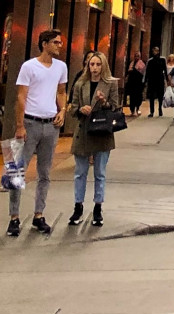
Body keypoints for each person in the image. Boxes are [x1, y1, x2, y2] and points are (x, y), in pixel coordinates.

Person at [7, 29, 68, 237]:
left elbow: (61, 91)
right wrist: (19, 125)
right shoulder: (29, 66)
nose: (60, 45)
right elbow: (21, 97)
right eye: (56, 42)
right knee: (17, 171)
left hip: (51, 125)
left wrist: (63, 110)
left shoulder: (61, 66)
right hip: (30, 123)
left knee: (45, 173)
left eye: (60, 42)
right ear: (44, 44)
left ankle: (38, 215)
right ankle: (14, 217)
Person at [67, 52, 119, 227]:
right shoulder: (80, 83)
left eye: (98, 64)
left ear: (103, 66)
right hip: (84, 132)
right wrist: (81, 109)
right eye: (91, 64)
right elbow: (72, 108)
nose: (94, 68)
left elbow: (115, 107)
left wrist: (103, 103)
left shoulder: (111, 83)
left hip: (102, 132)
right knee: (80, 172)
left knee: (100, 173)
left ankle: (98, 207)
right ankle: (78, 206)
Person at [145, 47, 168, 117]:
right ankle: (152, 111)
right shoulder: (150, 61)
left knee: (160, 95)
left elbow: (165, 69)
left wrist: (166, 79)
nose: (155, 52)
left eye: (156, 51)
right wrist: (145, 80)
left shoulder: (162, 59)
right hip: (152, 80)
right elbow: (147, 71)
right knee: (151, 96)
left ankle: (160, 108)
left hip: (160, 79)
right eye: (154, 51)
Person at [125, 50, 146, 116]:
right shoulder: (131, 63)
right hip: (131, 83)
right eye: (135, 56)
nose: (136, 57)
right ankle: (132, 110)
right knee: (132, 97)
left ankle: (137, 108)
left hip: (138, 83)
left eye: (138, 56)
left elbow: (143, 73)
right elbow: (128, 72)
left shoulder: (142, 63)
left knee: (138, 96)